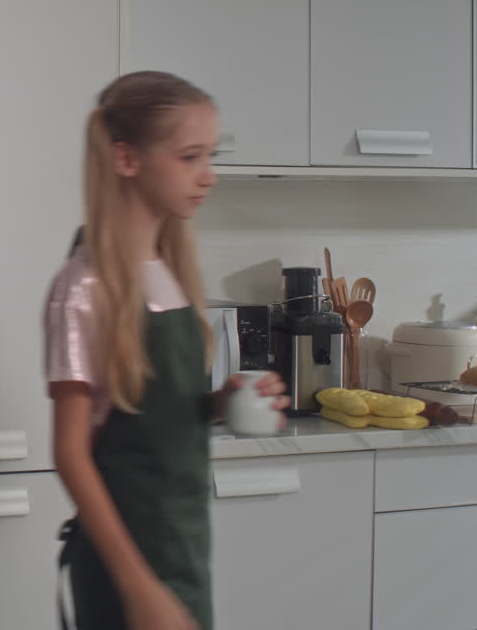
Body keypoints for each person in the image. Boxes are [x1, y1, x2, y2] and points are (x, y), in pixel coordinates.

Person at [44, 71, 288, 630]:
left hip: (181, 551)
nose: (210, 176)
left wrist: (221, 403)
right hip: (125, 569)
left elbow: (151, 416)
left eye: (210, 155)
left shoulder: (168, 272)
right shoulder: (84, 287)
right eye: (189, 157)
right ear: (127, 159)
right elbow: (71, 454)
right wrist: (139, 588)